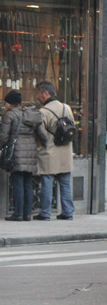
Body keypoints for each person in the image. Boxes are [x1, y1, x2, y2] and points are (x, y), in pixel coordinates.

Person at [1, 90, 49, 222]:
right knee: (28, 183)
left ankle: (18, 213)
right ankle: (27, 214)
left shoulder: (10, 115)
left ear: (10, 103)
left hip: (17, 151)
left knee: (17, 182)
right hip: (31, 150)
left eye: (6, 102)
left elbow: (3, 136)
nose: (5, 105)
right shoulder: (30, 115)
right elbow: (43, 135)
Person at [35, 81, 75, 220]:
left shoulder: (43, 112)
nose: (37, 96)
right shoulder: (66, 108)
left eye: (38, 93)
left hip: (49, 152)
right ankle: (68, 211)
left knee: (47, 181)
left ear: (46, 93)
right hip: (65, 150)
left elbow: (41, 133)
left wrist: (45, 143)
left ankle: (45, 212)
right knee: (65, 183)